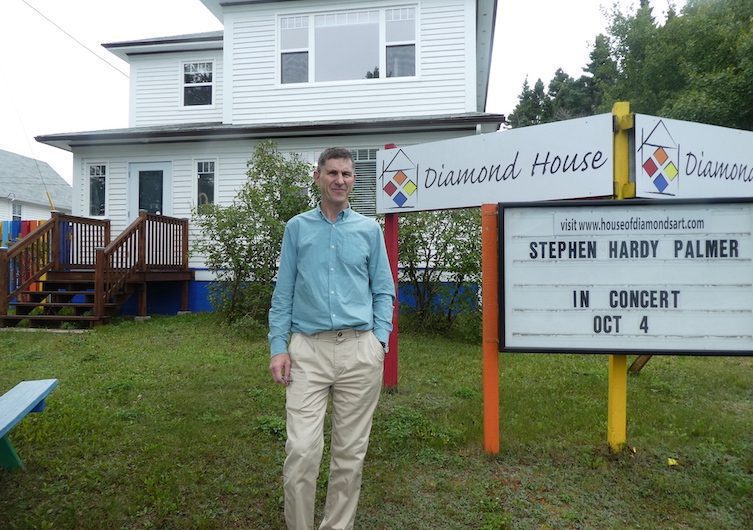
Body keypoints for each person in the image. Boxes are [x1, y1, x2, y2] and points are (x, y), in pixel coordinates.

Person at [268, 146, 395, 530]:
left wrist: (380, 342)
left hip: (360, 350)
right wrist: (279, 347)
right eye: (333, 173)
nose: (340, 180)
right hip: (308, 350)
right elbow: (283, 294)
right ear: (318, 177)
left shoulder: (369, 230)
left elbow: (384, 290)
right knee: (302, 451)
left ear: (353, 180)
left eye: (347, 174)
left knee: (349, 454)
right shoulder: (297, 229)